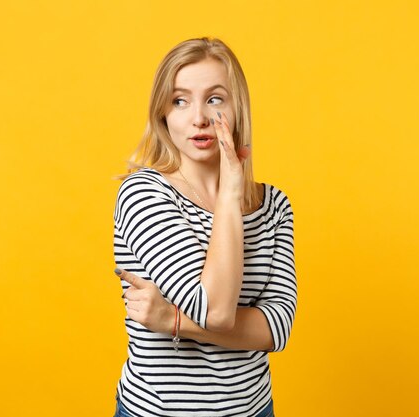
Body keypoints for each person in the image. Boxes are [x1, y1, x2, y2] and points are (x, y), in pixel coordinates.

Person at [112, 37, 296, 417]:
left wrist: (173, 320)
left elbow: (277, 328)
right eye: (179, 100)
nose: (198, 117)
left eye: (215, 99)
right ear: (163, 114)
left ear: (237, 108)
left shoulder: (274, 205)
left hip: (253, 410)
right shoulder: (144, 193)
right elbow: (215, 310)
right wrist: (230, 197)